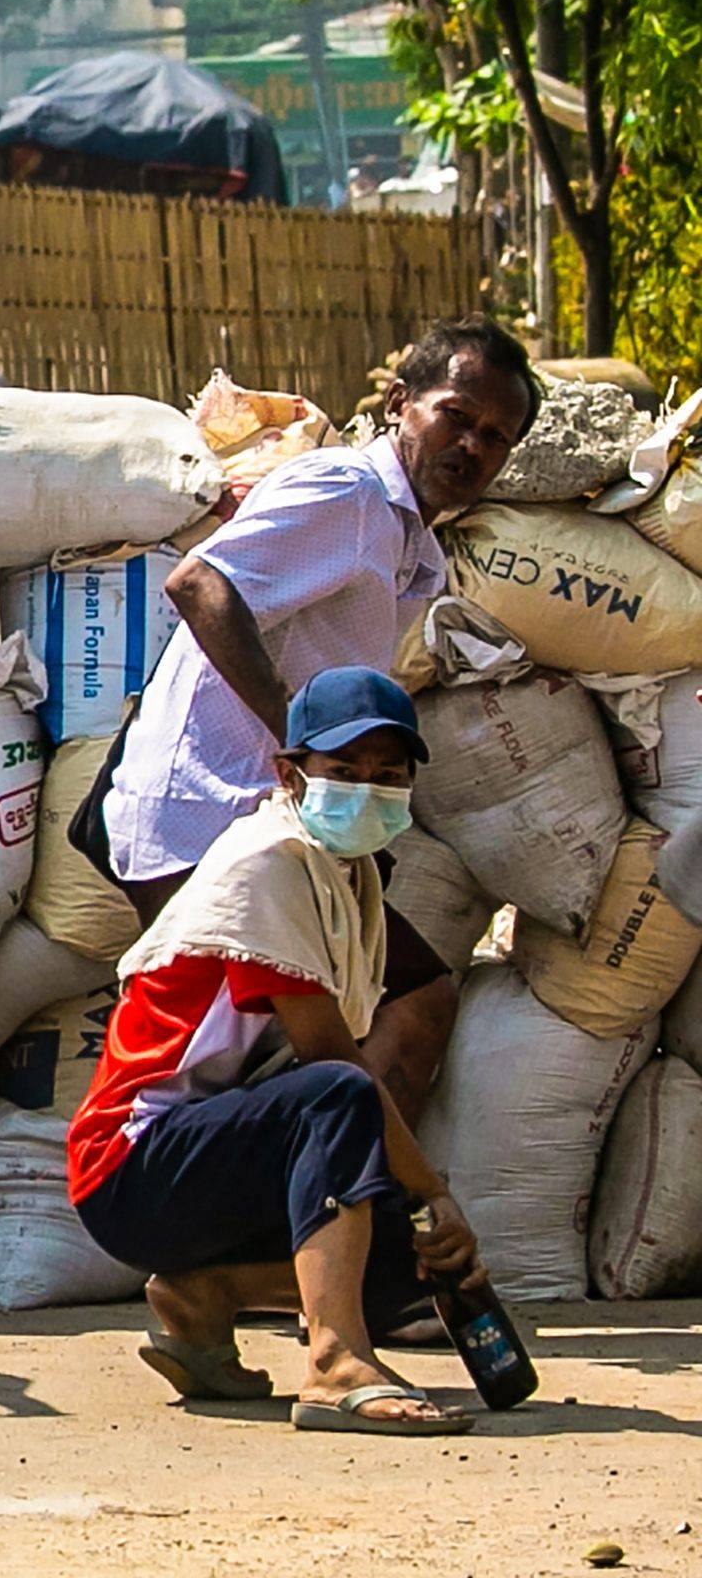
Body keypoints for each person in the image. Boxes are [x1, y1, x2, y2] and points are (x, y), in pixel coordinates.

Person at [87, 316, 538, 1116]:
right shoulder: (349, 495)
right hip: (205, 821)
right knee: (217, 1079)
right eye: (456, 416)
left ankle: (358, 1210)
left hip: (267, 833)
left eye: (496, 437)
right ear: (401, 403)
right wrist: (297, 739)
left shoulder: (414, 551)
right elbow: (199, 585)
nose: (471, 447)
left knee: (398, 1005)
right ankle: (346, 1209)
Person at [69, 667, 484, 1436]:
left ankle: (203, 1297)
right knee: (339, 1097)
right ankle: (332, 1364)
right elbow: (333, 1058)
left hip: (194, 1158)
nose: (368, 789)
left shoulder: (340, 874)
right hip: (132, 1167)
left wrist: (419, 1207)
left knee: (393, 1246)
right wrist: (437, 1193)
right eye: (344, 771)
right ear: (290, 774)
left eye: (387, 775)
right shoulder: (270, 864)